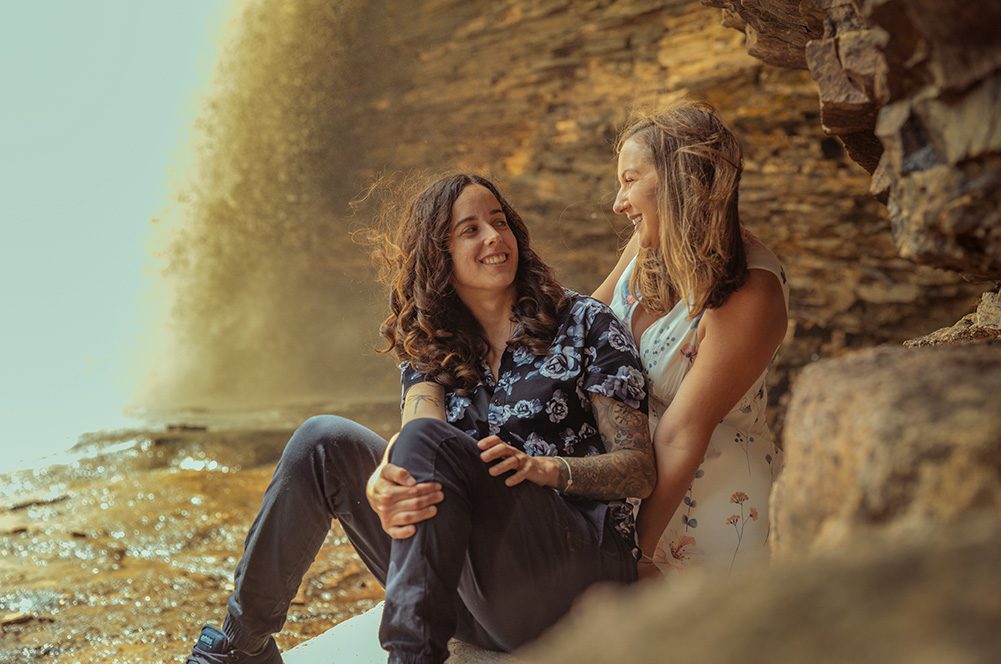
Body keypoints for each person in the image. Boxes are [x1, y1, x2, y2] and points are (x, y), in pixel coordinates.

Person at [185, 173, 656, 664]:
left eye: (499, 223)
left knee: (431, 446)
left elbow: (639, 470)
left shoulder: (584, 324)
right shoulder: (435, 344)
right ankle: (241, 648)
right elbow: (419, 424)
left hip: (572, 580)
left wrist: (546, 469)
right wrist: (382, 482)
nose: (494, 237)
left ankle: (411, 657)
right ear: (439, 256)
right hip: (471, 595)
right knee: (321, 440)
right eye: (470, 230)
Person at [592, 100, 789, 580]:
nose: (619, 203)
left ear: (681, 180)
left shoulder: (752, 293)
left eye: (630, 180)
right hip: (626, 491)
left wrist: (636, 553)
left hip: (704, 521)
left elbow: (682, 435)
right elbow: (583, 324)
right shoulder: (647, 245)